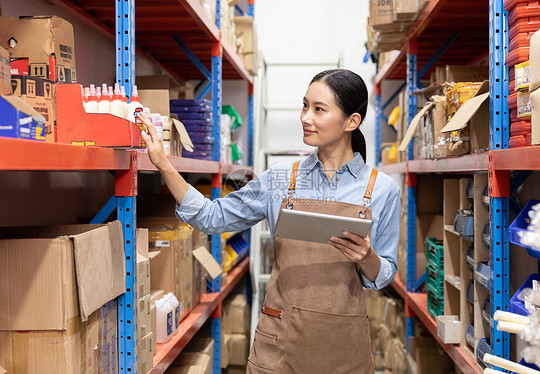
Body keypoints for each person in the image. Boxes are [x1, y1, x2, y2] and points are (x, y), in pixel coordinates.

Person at [139, 69, 400, 373]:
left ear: (351, 122)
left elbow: (384, 274)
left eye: (319, 109)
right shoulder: (280, 179)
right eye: (305, 106)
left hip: (342, 347)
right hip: (279, 342)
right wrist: (163, 164)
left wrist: (367, 257)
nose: (305, 117)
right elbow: (212, 217)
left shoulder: (382, 189)